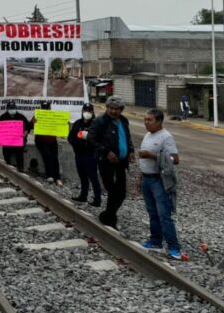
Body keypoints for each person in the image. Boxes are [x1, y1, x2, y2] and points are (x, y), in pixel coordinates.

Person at [137, 109, 182, 259]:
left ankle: (174, 247)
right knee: (152, 212)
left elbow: (175, 159)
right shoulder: (147, 135)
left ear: (159, 121)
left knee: (164, 214)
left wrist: (152, 155)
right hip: (146, 178)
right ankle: (156, 241)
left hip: (159, 180)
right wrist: (140, 177)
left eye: (150, 120)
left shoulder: (166, 137)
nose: (146, 123)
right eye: (145, 120)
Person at [87, 95, 134, 229]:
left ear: (121, 110)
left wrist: (130, 150)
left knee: (122, 193)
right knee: (112, 191)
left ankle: (107, 215)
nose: (113, 111)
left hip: (121, 162)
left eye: (117, 109)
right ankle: (110, 221)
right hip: (106, 162)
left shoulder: (123, 120)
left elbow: (127, 137)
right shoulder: (100, 121)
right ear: (107, 108)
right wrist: (106, 152)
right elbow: (91, 138)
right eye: (111, 108)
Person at [67, 103, 101, 206]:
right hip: (79, 154)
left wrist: (86, 142)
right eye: (85, 110)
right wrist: (77, 144)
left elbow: (97, 141)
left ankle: (97, 199)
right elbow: (70, 137)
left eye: (89, 111)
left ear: (92, 112)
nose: (87, 113)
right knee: (82, 176)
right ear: (82, 111)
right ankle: (83, 195)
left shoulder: (95, 125)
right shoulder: (78, 123)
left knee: (93, 177)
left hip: (90, 155)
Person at [33, 100, 63, 186]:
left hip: (52, 141)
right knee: (47, 156)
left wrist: (64, 124)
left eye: (47, 108)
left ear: (49, 108)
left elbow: (60, 125)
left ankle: (57, 177)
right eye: (44, 108)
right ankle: (49, 175)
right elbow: (31, 125)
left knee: (55, 158)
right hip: (41, 141)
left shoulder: (53, 115)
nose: (45, 110)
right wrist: (34, 122)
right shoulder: (37, 115)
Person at [0, 100, 31, 172]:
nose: (12, 109)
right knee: (6, 149)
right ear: (7, 109)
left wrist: (25, 133)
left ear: (15, 108)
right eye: (10, 108)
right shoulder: (3, 117)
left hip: (19, 138)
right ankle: (7, 164)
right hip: (8, 139)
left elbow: (27, 127)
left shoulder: (21, 116)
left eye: (13, 108)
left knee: (19, 149)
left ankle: (20, 167)